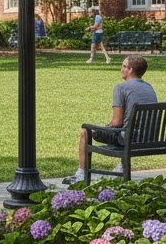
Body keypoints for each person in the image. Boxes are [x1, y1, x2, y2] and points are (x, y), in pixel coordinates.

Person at [63, 55, 157, 184]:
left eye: (124, 66)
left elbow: (117, 122)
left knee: (85, 130)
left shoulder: (121, 88)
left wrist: (106, 126)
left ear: (130, 70)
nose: (121, 69)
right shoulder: (149, 87)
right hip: (149, 138)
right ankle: (121, 167)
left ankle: (81, 174)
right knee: (126, 129)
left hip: (129, 139)